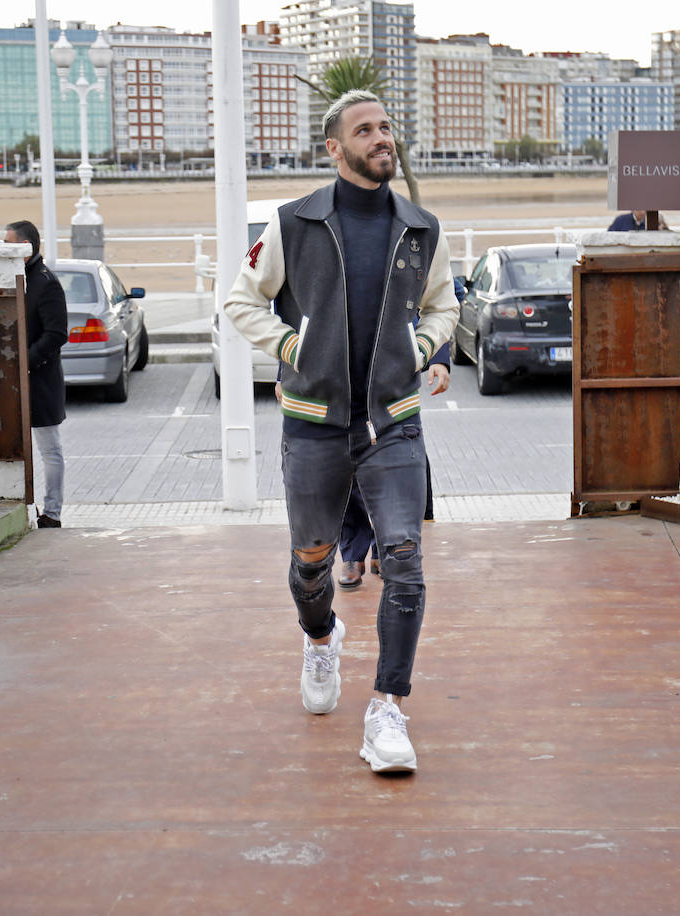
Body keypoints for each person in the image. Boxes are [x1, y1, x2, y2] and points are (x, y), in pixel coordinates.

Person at [223, 89, 459, 773]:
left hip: (393, 423)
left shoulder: (421, 227)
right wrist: (294, 349)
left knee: (406, 562)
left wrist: (421, 352)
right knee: (310, 561)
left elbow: (444, 305)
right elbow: (240, 299)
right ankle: (321, 637)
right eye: (366, 130)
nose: (381, 138)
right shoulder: (292, 223)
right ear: (335, 148)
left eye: (386, 126)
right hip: (314, 424)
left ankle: (387, 708)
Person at [338, 349, 450, 589]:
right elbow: (297, 314)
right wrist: (284, 374)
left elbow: (434, 311)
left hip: (394, 379)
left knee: (392, 472)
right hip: (339, 379)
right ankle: (352, 555)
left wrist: (439, 358)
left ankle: (385, 550)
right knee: (345, 469)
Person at [3, 220, 68, 529]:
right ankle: (23, 506)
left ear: (26, 248)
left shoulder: (46, 282)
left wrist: (25, 363)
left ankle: (52, 512)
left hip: (40, 383)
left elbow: (57, 334)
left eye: (10, 243)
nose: (5, 249)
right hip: (16, 381)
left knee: (49, 449)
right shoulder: (17, 279)